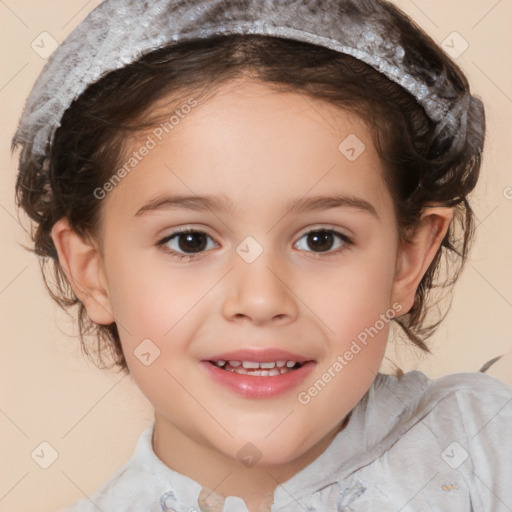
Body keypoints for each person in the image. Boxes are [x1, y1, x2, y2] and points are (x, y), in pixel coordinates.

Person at [12, 0, 512, 510]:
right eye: (191, 240)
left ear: (408, 259)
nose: (259, 299)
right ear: (91, 273)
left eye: (321, 239)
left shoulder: (487, 451)